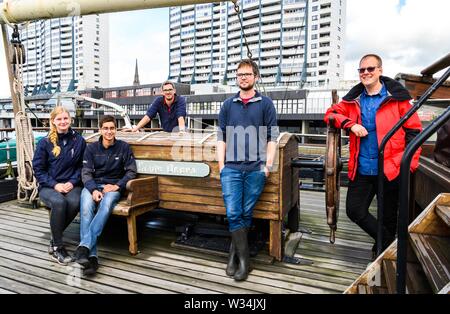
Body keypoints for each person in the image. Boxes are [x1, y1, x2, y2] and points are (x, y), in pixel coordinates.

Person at [324, 54, 422, 258]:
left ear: (380, 70)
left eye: (370, 69)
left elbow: (415, 133)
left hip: (390, 169)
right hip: (361, 168)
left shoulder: (398, 100)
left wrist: (407, 165)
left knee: (388, 216)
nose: (366, 73)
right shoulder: (352, 101)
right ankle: (387, 241)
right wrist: (350, 124)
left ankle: (381, 253)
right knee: (354, 210)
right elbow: (331, 115)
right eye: (362, 70)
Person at [217, 59, 278, 281]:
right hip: (231, 169)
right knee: (234, 213)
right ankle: (245, 262)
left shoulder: (266, 104)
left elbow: (272, 137)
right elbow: (221, 137)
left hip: (255, 168)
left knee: (245, 214)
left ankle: (233, 257)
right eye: (239, 74)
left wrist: (267, 166)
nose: (243, 77)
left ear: (256, 77)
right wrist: (222, 166)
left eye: (247, 74)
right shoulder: (228, 104)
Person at [74, 115, 137, 276]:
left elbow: (131, 171)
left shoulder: (123, 147)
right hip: (93, 186)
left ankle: (84, 248)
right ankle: (92, 258)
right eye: (106, 128)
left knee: (106, 205)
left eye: (112, 128)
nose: (109, 132)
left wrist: (117, 186)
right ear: (100, 130)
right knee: (86, 208)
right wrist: (94, 189)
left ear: (116, 129)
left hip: (113, 187)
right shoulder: (91, 148)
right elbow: (86, 173)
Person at [32, 106, 86, 264]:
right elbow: (38, 169)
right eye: (59, 119)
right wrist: (55, 185)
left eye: (65, 118)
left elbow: (83, 166)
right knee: (59, 202)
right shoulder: (45, 142)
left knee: (75, 201)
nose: (63, 122)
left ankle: (54, 240)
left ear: (70, 120)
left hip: (72, 184)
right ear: (53, 122)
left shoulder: (79, 140)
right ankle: (58, 247)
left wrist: (72, 182)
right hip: (49, 186)